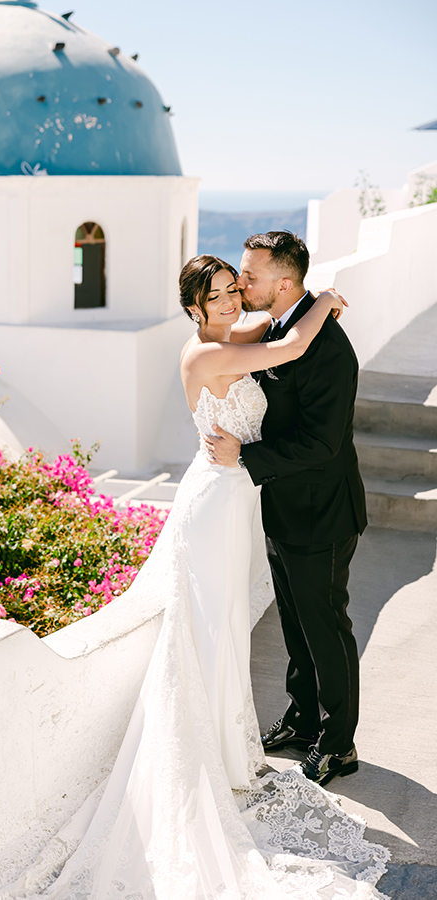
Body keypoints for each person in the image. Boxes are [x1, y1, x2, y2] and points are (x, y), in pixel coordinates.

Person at [0, 256, 388, 900]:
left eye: (236, 287)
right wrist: (325, 300)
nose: (232, 299)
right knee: (212, 626)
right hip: (216, 503)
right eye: (217, 294)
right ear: (192, 308)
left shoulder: (231, 333)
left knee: (230, 623)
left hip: (241, 498)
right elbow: (287, 344)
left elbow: (274, 327)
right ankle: (212, 753)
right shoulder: (205, 353)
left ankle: (240, 744)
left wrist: (302, 304)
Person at [204, 232, 366, 788]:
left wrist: (245, 458)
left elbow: (322, 443)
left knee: (326, 628)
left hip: (323, 514)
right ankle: (302, 719)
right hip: (281, 505)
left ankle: (339, 744)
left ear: (285, 282)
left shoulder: (331, 349)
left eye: (250, 276)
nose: (240, 283)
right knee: (296, 625)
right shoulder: (278, 327)